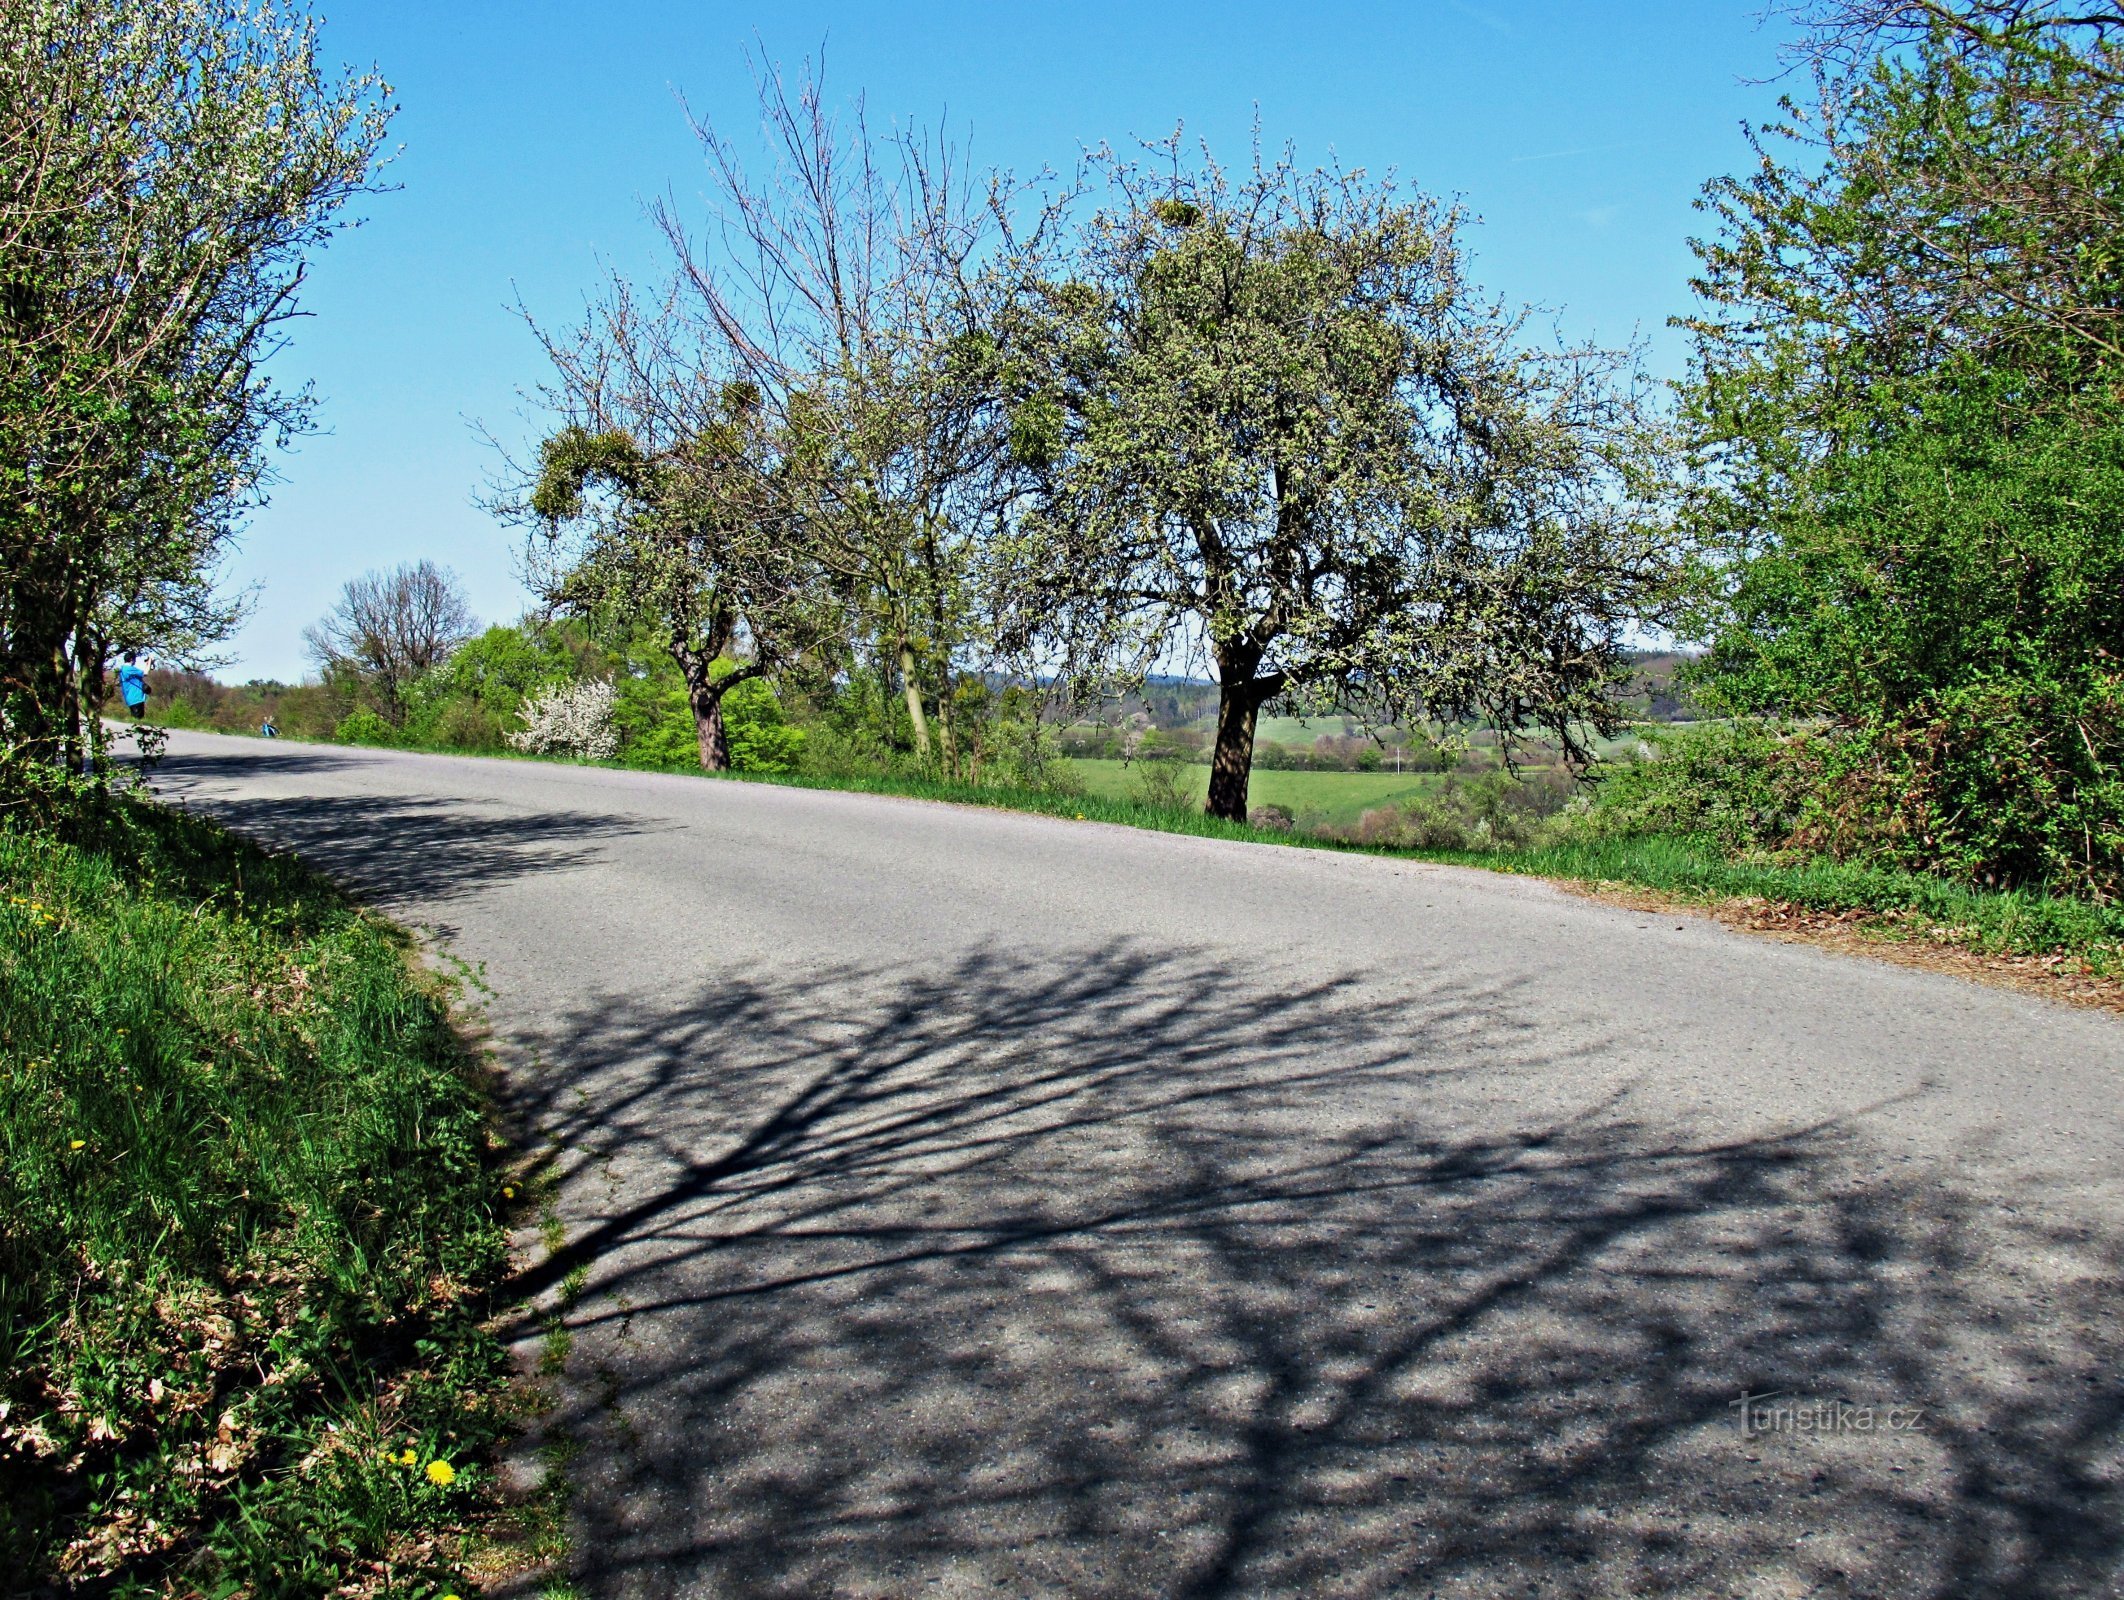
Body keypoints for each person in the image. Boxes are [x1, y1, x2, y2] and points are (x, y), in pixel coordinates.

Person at [115, 652, 150, 720]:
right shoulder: (129, 668)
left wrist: (147, 664)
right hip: (136, 697)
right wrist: (150, 660)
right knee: (138, 720)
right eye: (135, 659)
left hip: (130, 698)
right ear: (131, 659)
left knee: (135, 719)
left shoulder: (122, 669)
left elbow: (139, 673)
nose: (135, 661)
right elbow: (145, 673)